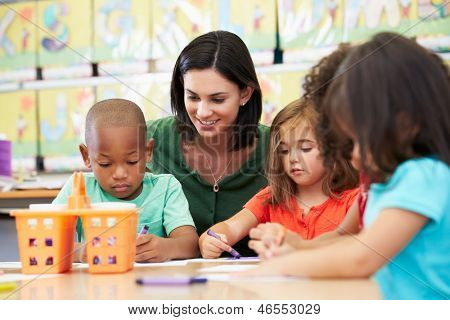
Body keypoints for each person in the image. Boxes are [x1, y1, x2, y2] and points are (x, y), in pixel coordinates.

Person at [245, 33, 450, 300]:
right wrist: (296, 245)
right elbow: (348, 238)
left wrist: (280, 267)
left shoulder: (423, 175)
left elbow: (362, 257)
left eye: (356, 141)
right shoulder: (387, 183)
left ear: (404, 124)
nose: (352, 157)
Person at [146, 30, 270, 256]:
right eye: (193, 97)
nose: (202, 112)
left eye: (217, 99)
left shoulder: (277, 146)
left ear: (245, 94)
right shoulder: (151, 138)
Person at [199, 98, 359, 258]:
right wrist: (209, 240)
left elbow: (355, 249)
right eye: (283, 151)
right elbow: (230, 227)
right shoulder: (271, 197)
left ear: (334, 151)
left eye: (305, 148)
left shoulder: (355, 200)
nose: (293, 158)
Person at [53, 99, 199, 262]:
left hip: (152, 284)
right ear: (86, 156)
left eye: (132, 161)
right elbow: (46, 241)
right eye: (105, 164)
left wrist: (165, 248)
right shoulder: (78, 187)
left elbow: (191, 244)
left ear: (148, 151)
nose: (120, 174)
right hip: (93, 284)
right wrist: (79, 252)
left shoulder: (166, 188)